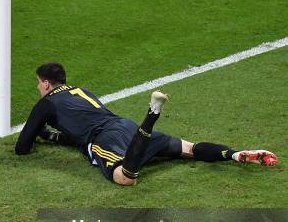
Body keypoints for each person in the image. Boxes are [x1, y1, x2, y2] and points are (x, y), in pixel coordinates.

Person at [15, 62, 277, 186]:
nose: (38, 87)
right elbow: (78, 128)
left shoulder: (46, 103)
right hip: (124, 125)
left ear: (46, 84)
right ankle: (234, 154)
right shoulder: (80, 91)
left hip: (107, 140)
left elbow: (22, 147)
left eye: (38, 83)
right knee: (190, 148)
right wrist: (52, 137)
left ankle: (152, 115)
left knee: (124, 177)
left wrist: (39, 129)